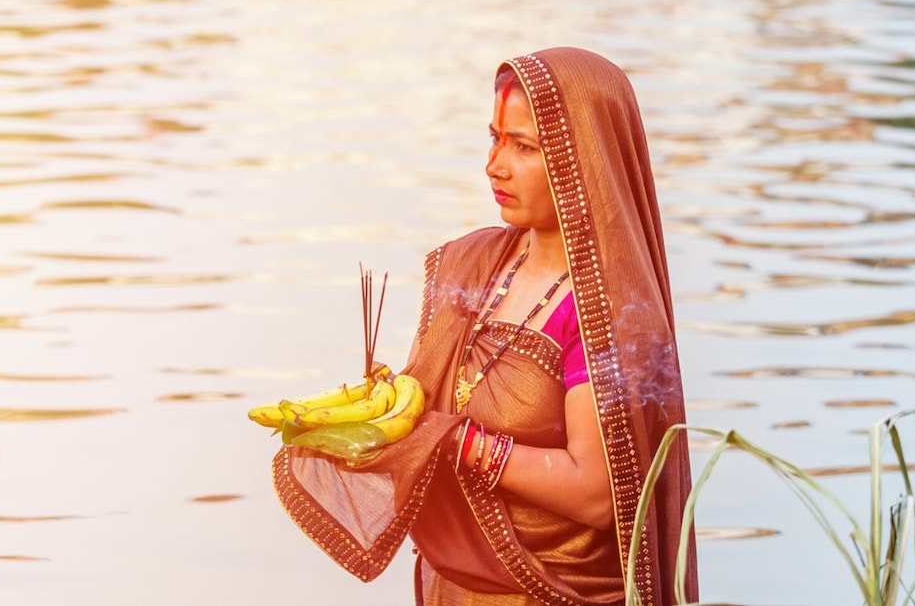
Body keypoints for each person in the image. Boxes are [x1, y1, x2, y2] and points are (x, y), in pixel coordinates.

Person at [273, 47, 698, 605]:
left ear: (582, 158)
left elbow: (597, 495)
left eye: (525, 146)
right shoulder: (470, 268)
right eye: (494, 138)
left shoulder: (608, 313)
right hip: (449, 587)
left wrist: (456, 444)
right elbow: (428, 401)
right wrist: (376, 419)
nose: (495, 165)